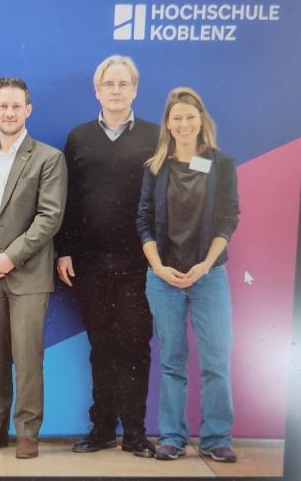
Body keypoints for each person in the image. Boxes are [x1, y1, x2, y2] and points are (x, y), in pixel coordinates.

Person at [55, 55, 159, 457]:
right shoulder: (79, 137)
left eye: (123, 84)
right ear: (97, 91)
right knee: (101, 346)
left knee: (134, 345)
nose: (116, 91)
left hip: (140, 264)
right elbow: (67, 199)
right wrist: (64, 250)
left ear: (135, 89)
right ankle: (101, 429)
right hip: (90, 262)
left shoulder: (155, 136)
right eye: (109, 84)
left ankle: (135, 433)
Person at [136, 86, 240, 463]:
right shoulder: (155, 167)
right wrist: (158, 266)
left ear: (201, 121)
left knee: (216, 361)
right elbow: (144, 221)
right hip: (163, 278)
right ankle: (172, 437)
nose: (183, 124)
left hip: (208, 277)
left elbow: (228, 217)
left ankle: (216, 438)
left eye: (190, 117)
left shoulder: (221, 163)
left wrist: (205, 265)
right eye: (176, 117)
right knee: (172, 362)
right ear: (168, 123)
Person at [0, 77, 67, 459]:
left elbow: (49, 217)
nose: (9, 113)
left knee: (27, 358)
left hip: (27, 274)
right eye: (2, 106)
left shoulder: (48, 158)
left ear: (28, 110)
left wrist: (10, 257)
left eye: (16, 106)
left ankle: (27, 432)